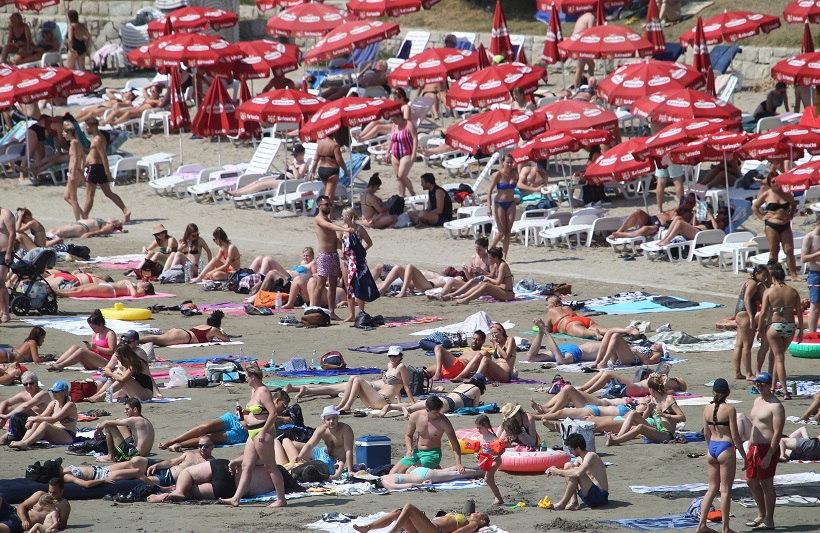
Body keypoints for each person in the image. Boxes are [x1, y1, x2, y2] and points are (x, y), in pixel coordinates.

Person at [221, 365, 289, 508]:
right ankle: (236, 498)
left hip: (262, 432)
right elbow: (255, 411)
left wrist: (264, 432)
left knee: (270, 467)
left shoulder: (263, 391)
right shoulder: (254, 390)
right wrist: (243, 413)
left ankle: (281, 499)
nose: (244, 379)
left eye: (246, 376)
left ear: (253, 377)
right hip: (252, 432)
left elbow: (273, 413)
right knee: (246, 465)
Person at [697, 378, 746, 533]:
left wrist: (710, 449)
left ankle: (701, 526)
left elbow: (706, 433)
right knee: (725, 490)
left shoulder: (706, 408)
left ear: (713, 392)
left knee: (711, 489)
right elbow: (736, 436)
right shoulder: (730, 410)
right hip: (725, 448)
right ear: (727, 393)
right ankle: (725, 528)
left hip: (712, 448)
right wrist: (744, 456)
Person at [744, 372, 785, 530]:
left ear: (770, 385)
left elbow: (777, 432)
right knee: (751, 481)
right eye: (757, 384)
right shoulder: (757, 401)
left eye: (762, 384)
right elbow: (755, 424)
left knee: (766, 483)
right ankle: (761, 514)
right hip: (753, 447)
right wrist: (749, 443)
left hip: (767, 448)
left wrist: (769, 454)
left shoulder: (775, 406)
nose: (759, 387)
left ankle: (769, 519)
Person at [758, 264, 802, 399]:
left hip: (775, 326)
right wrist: (801, 331)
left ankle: (784, 391)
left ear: (773, 277)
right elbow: (799, 313)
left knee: (779, 358)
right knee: (780, 356)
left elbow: (763, 313)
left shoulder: (769, 292)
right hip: (790, 326)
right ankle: (772, 386)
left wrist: (760, 330)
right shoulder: (793, 291)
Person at [390, 396, 464, 475]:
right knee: (393, 473)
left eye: (439, 411)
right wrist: (409, 448)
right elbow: (408, 435)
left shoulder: (443, 421)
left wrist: (458, 463)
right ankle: (434, 468)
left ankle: (433, 465)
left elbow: (454, 442)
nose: (438, 414)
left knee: (410, 473)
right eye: (435, 413)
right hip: (417, 452)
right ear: (427, 410)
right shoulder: (415, 416)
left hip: (432, 453)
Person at [605, 375, 686, 445]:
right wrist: (648, 409)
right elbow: (644, 418)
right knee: (633, 413)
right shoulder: (654, 399)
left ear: (653, 390)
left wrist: (665, 415)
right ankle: (618, 437)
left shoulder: (669, 399)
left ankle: (615, 441)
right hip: (656, 430)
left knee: (641, 427)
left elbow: (682, 417)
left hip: (666, 434)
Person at [279, 405, 355, 479]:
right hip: (321, 452)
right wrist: (300, 456)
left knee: (310, 472)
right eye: (328, 419)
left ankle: (294, 468)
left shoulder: (345, 429)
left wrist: (350, 470)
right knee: (288, 442)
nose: (331, 421)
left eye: (334, 418)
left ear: (337, 418)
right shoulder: (322, 429)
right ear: (324, 420)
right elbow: (310, 444)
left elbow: (348, 450)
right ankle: (293, 464)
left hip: (333, 461)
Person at [336, 345, 414, 413]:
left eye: (395, 356)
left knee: (358, 380)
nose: (392, 358)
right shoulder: (389, 365)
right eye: (390, 356)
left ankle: (348, 406)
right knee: (353, 377)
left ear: (400, 356)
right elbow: (395, 385)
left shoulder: (401, 367)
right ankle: (342, 404)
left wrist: (412, 402)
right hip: (375, 399)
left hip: (383, 400)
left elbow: (405, 386)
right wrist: (399, 401)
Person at [753, 173, 800, 281]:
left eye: (778, 181)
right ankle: (773, 276)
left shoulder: (787, 194)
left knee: (789, 250)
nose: (776, 184)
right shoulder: (767, 194)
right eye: (773, 182)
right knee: (774, 250)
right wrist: (762, 217)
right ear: (770, 183)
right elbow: (755, 206)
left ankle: (793, 275)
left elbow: (793, 204)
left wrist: (791, 215)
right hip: (771, 225)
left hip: (785, 224)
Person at [82, 118, 131, 222]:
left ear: (93, 127)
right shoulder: (99, 137)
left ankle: (83, 219)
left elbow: (104, 157)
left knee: (89, 196)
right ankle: (125, 210)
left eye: (87, 126)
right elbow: (92, 154)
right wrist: (83, 166)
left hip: (95, 169)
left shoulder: (97, 140)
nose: (86, 128)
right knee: (108, 193)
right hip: (98, 168)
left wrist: (108, 173)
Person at [547, 433, 609, 510]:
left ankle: (562, 504)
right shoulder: (579, 459)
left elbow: (579, 473)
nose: (570, 452)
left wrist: (558, 472)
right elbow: (568, 471)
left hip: (599, 496)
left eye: (571, 449)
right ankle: (573, 502)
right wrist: (554, 469)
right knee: (568, 465)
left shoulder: (591, 456)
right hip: (589, 496)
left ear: (577, 448)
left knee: (575, 471)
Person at [9, 380, 76, 450]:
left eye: (56, 392)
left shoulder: (69, 405)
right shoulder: (53, 403)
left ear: (64, 392)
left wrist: (34, 418)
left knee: (44, 424)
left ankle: (26, 443)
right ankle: (22, 441)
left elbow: (54, 419)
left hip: (68, 436)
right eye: (52, 391)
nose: (53, 393)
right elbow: (42, 415)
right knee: (37, 421)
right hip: (55, 433)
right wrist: (31, 420)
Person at [380, 374, 486, 418]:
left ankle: (391, 406)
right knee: (425, 412)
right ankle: (406, 409)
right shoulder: (476, 389)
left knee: (413, 406)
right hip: (449, 404)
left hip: (442, 398)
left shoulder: (463, 385)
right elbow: (474, 408)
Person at [226, 144, 308, 198]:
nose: (295, 157)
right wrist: (286, 167)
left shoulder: (303, 165)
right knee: (257, 182)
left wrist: (293, 167)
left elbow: (298, 177)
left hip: (287, 182)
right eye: (294, 155)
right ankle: (237, 191)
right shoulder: (295, 162)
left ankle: (238, 194)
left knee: (261, 185)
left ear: (302, 154)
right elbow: (288, 171)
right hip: (282, 178)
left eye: (296, 155)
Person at [339, 207, 377, 322]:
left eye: (343, 215)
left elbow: (369, 242)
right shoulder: (341, 229)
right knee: (348, 286)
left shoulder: (359, 229)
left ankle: (361, 311)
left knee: (359, 285)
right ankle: (351, 314)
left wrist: (361, 252)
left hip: (357, 261)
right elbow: (338, 243)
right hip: (346, 261)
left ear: (349, 217)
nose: (341, 217)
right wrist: (339, 251)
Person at [47, 310, 116, 371]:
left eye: (94, 328)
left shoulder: (110, 334)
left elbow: (112, 351)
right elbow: (92, 350)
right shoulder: (95, 333)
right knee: (75, 347)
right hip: (94, 360)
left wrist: (96, 347)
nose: (93, 330)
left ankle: (62, 365)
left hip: (105, 362)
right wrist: (90, 347)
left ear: (101, 324)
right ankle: (56, 364)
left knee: (82, 351)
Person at [734, 265, 770, 381]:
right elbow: (746, 299)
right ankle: (749, 373)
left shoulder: (747, 282)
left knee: (739, 345)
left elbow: (740, 295)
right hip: (745, 314)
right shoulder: (754, 284)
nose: (765, 278)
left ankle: (738, 373)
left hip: (739, 313)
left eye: (767, 275)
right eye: (763, 275)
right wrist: (750, 316)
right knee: (747, 346)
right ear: (756, 274)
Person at [544, 295, 636, 340]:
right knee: (606, 329)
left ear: (553, 305)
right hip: (583, 320)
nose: (546, 307)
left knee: (584, 332)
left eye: (547, 305)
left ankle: (594, 334)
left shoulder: (551, 311)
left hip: (569, 324)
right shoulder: (567, 307)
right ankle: (628, 330)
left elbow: (547, 329)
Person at [444, 247, 515, 304]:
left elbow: (498, 282)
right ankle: (460, 297)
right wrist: (481, 277)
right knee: (482, 283)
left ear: (496, 258)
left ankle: (466, 300)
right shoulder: (496, 264)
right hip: (500, 290)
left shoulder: (503, 265)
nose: (489, 259)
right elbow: (492, 275)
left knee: (486, 285)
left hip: (507, 293)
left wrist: (486, 278)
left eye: (490, 258)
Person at [611, 193, 697, 240]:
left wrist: (680, 208)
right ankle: (619, 231)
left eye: (689, 202)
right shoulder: (678, 207)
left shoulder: (688, 214)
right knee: (637, 212)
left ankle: (623, 235)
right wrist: (679, 207)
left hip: (658, 227)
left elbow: (673, 221)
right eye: (686, 199)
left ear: (693, 205)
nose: (686, 202)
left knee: (645, 229)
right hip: (652, 219)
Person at [353, 504, 489, 533]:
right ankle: (368, 528)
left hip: (435, 531)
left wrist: (475, 523)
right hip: (425, 528)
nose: (477, 512)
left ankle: (394, 531)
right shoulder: (464, 517)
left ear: (482, 521)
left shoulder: (473, 523)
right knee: (397, 513)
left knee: (409, 508)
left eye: (480, 514)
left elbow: (459, 532)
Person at [94, 397, 155, 462]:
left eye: (127, 409)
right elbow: (118, 420)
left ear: (135, 409)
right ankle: (112, 454)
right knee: (118, 423)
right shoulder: (143, 420)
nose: (125, 411)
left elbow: (106, 423)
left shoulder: (134, 420)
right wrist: (102, 424)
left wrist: (99, 429)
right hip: (143, 453)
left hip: (134, 454)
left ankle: (110, 456)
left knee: (109, 426)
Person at [312, 195, 344, 320]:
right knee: (320, 285)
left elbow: (334, 239)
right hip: (324, 256)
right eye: (326, 204)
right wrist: (344, 228)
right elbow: (329, 227)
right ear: (319, 206)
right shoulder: (318, 219)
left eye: (330, 204)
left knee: (332, 285)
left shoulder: (329, 220)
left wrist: (340, 246)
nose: (329, 207)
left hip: (333, 255)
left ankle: (331, 312)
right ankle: (313, 309)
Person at [87, 345, 154, 402]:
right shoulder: (127, 362)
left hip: (145, 394)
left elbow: (123, 379)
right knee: (117, 375)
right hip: (135, 392)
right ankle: (97, 395)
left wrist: (110, 373)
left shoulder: (135, 362)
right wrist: (112, 374)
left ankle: (102, 396)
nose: (117, 359)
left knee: (123, 378)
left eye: (118, 357)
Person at [0, 371, 51, 445]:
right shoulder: (24, 394)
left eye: (31, 383)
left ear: (36, 382)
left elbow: (26, 406)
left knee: (21, 412)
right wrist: (2, 418)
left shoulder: (43, 394)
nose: (28, 386)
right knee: (8, 409)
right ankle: (10, 435)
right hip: (27, 423)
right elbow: (5, 402)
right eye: (25, 384)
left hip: (39, 423)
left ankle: (11, 436)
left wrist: (6, 416)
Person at [159, 412, 248, 451]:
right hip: (234, 419)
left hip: (242, 432)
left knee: (210, 437)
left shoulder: (262, 394)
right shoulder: (256, 392)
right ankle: (171, 441)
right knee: (204, 427)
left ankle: (179, 445)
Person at [487, 154, 518, 259]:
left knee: (508, 232)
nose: (509, 164)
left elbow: (520, 185)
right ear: (503, 162)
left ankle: (504, 257)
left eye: (511, 162)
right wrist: (488, 206)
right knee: (501, 232)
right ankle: (489, 251)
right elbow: (489, 191)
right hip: (499, 204)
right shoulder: (498, 175)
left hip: (511, 203)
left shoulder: (515, 174)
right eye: (507, 162)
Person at [140, 310, 230, 346]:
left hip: (180, 332)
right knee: (157, 339)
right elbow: (226, 339)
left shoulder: (202, 325)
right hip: (183, 336)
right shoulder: (213, 330)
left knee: (157, 339)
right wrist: (220, 332)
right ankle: (133, 339)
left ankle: (134, 340)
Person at [527, 319, 598, 364]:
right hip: (577, 352)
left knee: (531, 358)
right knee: (560, 360)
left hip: (564, 349)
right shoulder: (605, 346)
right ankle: (544, 331)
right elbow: (560, 361)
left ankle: (541, 331)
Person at [654, 205, 729, 247]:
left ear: (726, 216)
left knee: (680, 222)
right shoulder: (712, 220)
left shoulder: (721, 223)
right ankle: (664, 239)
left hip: (701, 235)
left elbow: (717, 229)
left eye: (721, 212)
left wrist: (711, 215)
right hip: (696, 231)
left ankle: (667, 240)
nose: (718, 213)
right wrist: (694, 214)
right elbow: (694, 225)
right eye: (718, 211)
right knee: (678, 218)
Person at [99, 84, 169, 127]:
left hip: (142, 112)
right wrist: (153, 84)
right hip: (136, 109)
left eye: (153, 91)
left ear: (159, 92)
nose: (151, 92)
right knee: (116, 112)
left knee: (128, 113)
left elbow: (168, 91)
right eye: (151, 91)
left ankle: (115, 123)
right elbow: (144, 88)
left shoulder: (159, 102)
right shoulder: (148, 98)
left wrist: (164, 85)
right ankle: (104, 122)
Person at [308, 134, 348, 209]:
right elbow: (339, 160)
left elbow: (316, 160)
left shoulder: (320, 144)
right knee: (329, 195)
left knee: (329, 193)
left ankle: (331, 215)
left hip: (322, 170)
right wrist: (345, 170)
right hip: (332, 171)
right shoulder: (334, 145)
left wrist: (312, 171)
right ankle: (325, 214)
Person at [591, 330, 666, 369]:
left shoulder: (657, 354)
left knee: (616, 335)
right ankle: (597, 361)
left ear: (662, 350)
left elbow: (648, 362)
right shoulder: (647, 347)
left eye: (658, 344)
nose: (655, 343)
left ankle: (604, 362)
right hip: (622, 356)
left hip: (631, 359)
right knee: (609, 333)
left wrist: (636, 352)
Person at [384, 114, 417, 197]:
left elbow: (415, 138)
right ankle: (401, 197)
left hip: (406, 153)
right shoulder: (394, 125)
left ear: (400, 117)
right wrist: (387, 152)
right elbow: (392, 139)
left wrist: (414, 153)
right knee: (398, 178)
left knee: (401, 175)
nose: (393, 121)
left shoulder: (409, 124)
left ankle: (412, 192)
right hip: (395, 153)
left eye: (394, 119)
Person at [321, 60, 388, 100]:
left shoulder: (382, 75)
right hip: (357, 85)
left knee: (340, 92)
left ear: (383, 68)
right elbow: (358, 78)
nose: (375, 65)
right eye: (376, 64)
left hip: (361, 88)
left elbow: (378, 82)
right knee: (334, 89)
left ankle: (326, 101)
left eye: (378, 64)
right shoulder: (371, 71)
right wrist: (365, 69)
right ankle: (320, 98)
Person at [61, 122, 86, 221]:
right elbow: (83, 158)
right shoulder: (77, 142)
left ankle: (78, 221)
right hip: (76, 171)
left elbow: (76, 159)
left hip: (74, 172)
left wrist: (73, 172)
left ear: (69, 133)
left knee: (73, 199)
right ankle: (83, 215)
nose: (63, 135)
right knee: (66, 197)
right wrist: (82, 170)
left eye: (64, 133)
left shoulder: (74, 143)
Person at [54, 279, 155, 299]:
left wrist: (128, 282)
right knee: (77, 288)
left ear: (146, 287)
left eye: (145, 282)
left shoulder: (142, 291)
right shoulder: (137, 286)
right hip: (108, 286)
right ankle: (56, 292)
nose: (143, 280)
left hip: (111, 291)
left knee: (81, 292)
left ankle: (56, 293)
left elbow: (134, 295)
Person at [803, 217, 820, 334]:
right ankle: (812, 334)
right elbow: (803, 258)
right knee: (815, 307)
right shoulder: (810, 237)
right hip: (816, 274)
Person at [571, 12, 596, 90]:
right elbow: (591, 33)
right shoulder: (591, 17)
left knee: (586, 67)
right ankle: (586, 88)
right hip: (581, 45)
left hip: (575, 42)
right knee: (582, 68)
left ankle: (578, 89)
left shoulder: (582, 16)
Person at [0, 207, 15, 323]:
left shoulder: (6, 214)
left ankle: (6, 313)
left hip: (4, 253)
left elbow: (12, 233)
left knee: (0, 281)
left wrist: (9, 253)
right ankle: (1, 310)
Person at [48, 217, 123, 239]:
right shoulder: (105, 222)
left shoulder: (110, 225)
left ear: (115, 224)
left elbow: (102, 231)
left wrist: (89, 234)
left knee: (58, 232)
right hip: (78, 225)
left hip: (82, 227)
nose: (113, 217)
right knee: (53, 231)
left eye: (115, 219)